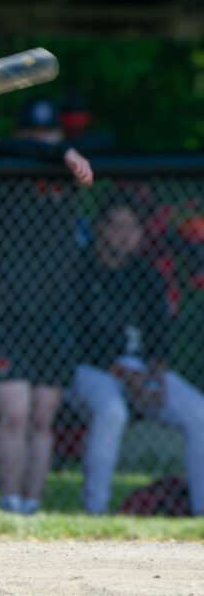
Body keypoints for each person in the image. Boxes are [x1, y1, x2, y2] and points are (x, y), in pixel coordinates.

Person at [0, 97, 94, 514]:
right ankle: (8, 504)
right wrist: (60, 151)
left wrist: (64, 154)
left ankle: (31, 508)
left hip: (56, 313)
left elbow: (99, 145)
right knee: (15, 414)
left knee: (43, 418)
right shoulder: (8, 161)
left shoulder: (71, 168)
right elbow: (2, 144)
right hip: (9, 311)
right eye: (34, 133)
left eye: (49, 133)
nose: (42, 141)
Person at [71, 190, 204, 516]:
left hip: (142, 372)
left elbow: (160, 341)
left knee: (199, 412)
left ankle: (201, 512)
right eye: (117, 226)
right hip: (91, 371)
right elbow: (78, 343)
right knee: (112, 411)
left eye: (132, 227)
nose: (125, 235)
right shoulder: (79, 272)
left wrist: (155, 377)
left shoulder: (148, 275)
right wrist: (127, 376)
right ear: (101, 228)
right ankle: (96, 512)